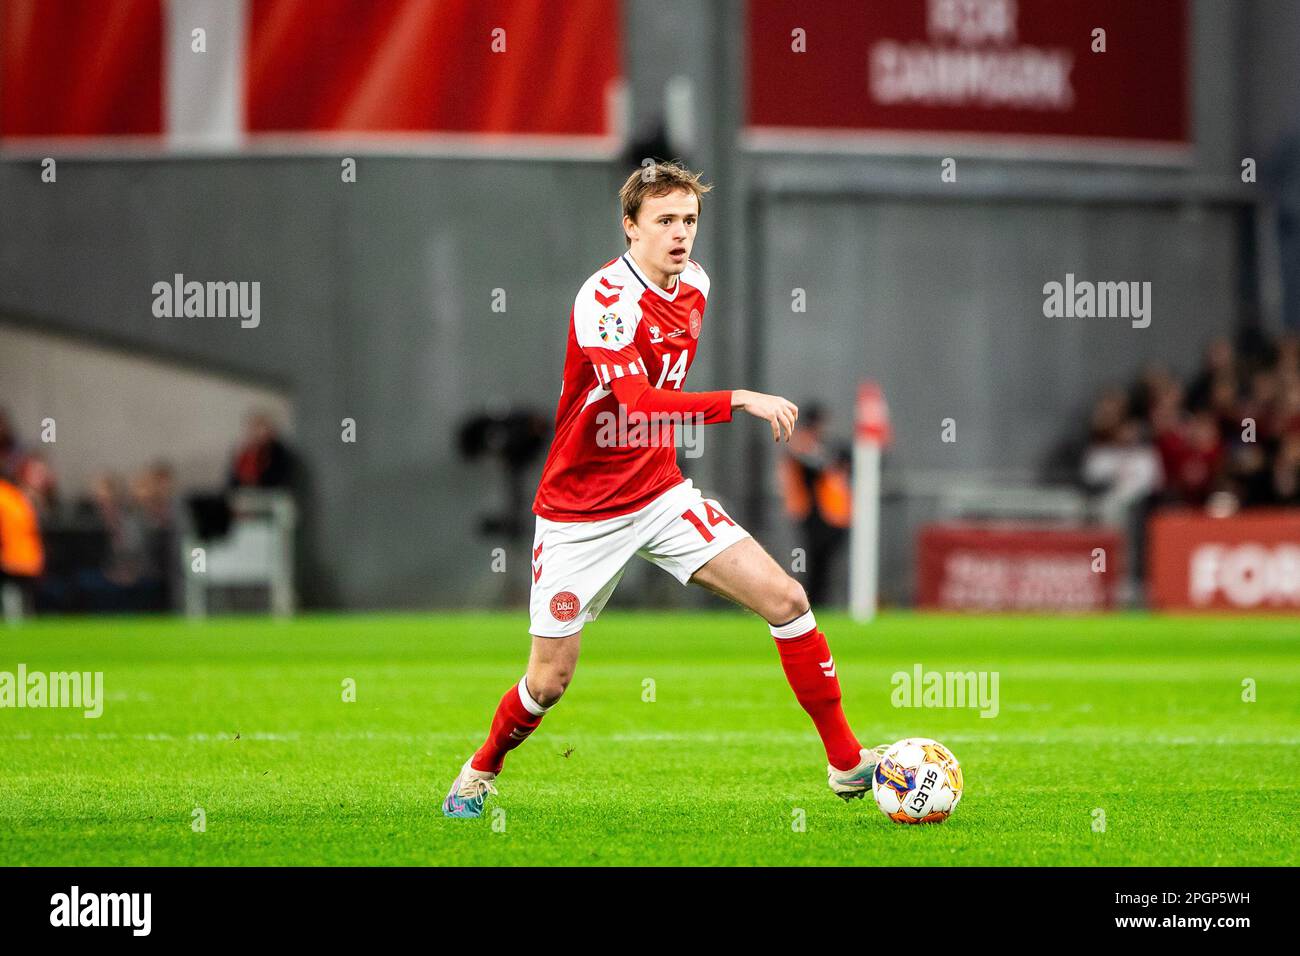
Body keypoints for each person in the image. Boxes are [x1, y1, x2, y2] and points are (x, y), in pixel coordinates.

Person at [443, 162, 883, 819]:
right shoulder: (604, 298)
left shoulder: (695, 285)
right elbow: (640, 402)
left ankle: (846, 765)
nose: (681, 235)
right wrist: (740, 399)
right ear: (630, 227)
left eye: (689, 221)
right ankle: (479, 772)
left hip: (659, 495)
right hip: (579, 513)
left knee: (787, 599)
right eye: (665, 221)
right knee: (549, 681)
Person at [778, 404, 851, 607]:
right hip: (811, 513)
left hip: (829, 514)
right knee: (815, 562)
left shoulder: (820, 445)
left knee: (823, 563)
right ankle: (812, 603)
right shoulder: (803, 444)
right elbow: (816, 467)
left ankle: (818, 603)